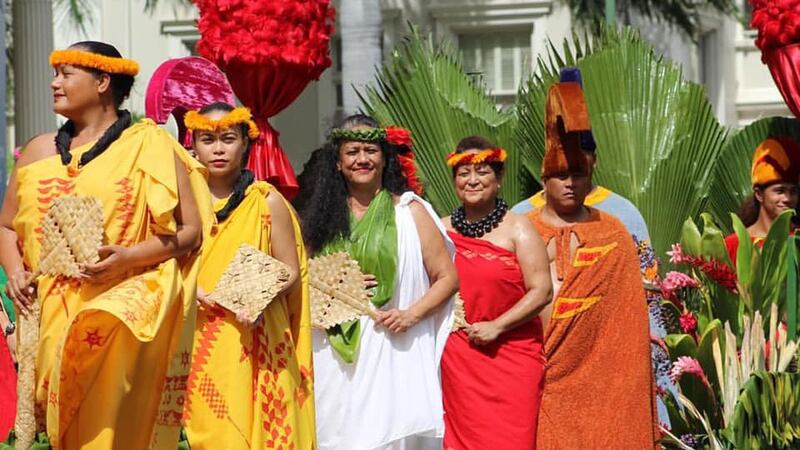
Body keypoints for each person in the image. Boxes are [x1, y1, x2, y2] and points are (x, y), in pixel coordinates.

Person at [0, 42, 213, 449]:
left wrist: (128, 258)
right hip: (50, 313)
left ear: (102, 81)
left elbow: (190, 232)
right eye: (55, 74)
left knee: (111, 429)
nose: (54, 83)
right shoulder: (38, 150)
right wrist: (15, 271)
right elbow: (7, 225)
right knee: (60, 427)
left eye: (66, 74)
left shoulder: (149, 145)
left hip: (121, 313)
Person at [512, 67, 674, 424]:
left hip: (608, 371)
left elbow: (647, 304)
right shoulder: (521, 219)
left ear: (593, 161)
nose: (569, 180)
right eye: (560, 169)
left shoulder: (621, 218)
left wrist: (661, 399)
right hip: (542, 374)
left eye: (579, 167)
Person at [299, 114, 459, 450]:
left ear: (385, 159)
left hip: (394, 346)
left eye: (370, 150)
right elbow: (303, 277)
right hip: (334, 355)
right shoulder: (322, 217)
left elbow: (447, 278)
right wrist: (339, 284)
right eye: (352, 152)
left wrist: (411, 314)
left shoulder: (411, 212)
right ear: (339, 163)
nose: (362, 159)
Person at [181, 103, 315, 449]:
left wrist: (259, 291)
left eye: (228, 138)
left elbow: (290, 271)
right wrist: (188, 286)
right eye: (207, 140)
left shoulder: (267, 201)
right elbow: (161, 263)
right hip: (192, 335)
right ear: (192, 144)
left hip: (251, 335)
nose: (218, 148)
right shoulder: (181, 200)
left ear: (246, 143)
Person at [441, 136, 552, 450]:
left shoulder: (519, 228)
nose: (472, 180)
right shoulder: (440, 229)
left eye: (483, 172)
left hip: (512, 356)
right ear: (454, 181)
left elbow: (541, 291)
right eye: (463, 173)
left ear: (499, 178)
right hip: (457, 357)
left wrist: (497, 326)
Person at [724, 137, 800, 263]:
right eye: (779, 191)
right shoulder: (732, 246)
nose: (787, 198)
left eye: (793, 191)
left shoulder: (797, 240)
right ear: (759, 194)